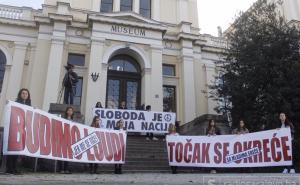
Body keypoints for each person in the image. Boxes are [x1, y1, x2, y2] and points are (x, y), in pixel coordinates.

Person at [6, 89, 31, 175]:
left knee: (18, 150)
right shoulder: (15, 103)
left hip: (22, 130)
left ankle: (15, 168)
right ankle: (9, 168)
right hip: (14, 129)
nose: (24, 95)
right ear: (20, 94)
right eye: (23, 93)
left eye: (26, 93)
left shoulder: (28, 105)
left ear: (28, 95)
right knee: (13, 149)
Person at [59, 107, 75, 174]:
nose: (70, 112)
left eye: (71, 111)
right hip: (63, 138)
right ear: (66, 111)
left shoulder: (73, 120)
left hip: (69, 139)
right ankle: (61, 169)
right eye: (69, 110)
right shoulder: (63, 119)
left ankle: (66, 169)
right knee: (61, 154)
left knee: (67, 155)